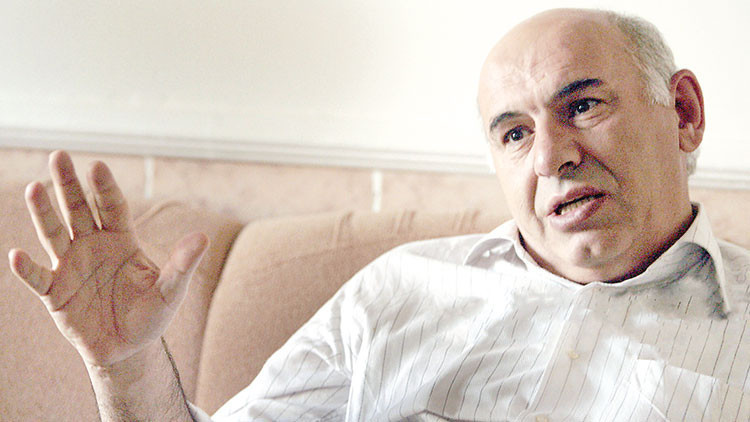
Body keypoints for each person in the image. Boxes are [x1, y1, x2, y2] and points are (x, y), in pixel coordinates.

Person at [8, 7, 750, 421]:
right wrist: (127, 365)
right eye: (515, 134)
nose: (551, 157)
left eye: (582, 106)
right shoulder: (402, 290)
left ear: (682, 112)